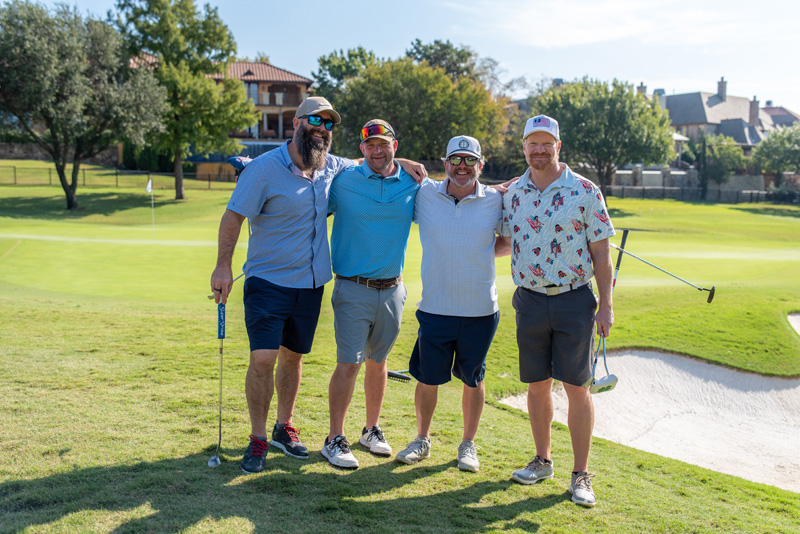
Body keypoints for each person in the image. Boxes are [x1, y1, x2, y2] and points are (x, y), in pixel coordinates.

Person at [210, 98, 424, 475]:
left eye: (328, 124)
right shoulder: (263, 169)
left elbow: (369, 161)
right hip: (267, 281)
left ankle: (283, 427)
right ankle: (258, 438)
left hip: (310, 285)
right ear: (296, 122)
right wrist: (223, 266)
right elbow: (233, 217)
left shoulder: (329, 166)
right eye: (314, 120)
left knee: (293, 358)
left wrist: (401, 161)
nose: (321, 128)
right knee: (263, 359)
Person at [501, 115, 615, 507]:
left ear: (558, 146)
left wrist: (606, 306)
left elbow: (602, 253)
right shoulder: (513, 193)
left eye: (546, 143)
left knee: (577, 388)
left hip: (574, 300)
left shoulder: (585, 190)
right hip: (529, 300)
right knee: (536, 384)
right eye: (532, 143)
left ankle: (580, 474)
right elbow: (504, 241)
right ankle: (542, 460)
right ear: (523, 147)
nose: (539, 150)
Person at [394, 136, 510, 473]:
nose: (462, 166)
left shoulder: (495, 200)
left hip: (480, 310)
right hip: (435, 306)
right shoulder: (425, 193)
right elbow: (384, 163)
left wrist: (477, 253)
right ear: (445, 163)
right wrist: (404, 162)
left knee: (473, 379)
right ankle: (422, 439)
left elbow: (506, 242)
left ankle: (468, 445)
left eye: (470, 160)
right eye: (456, 160)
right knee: (427, 378)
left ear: (480, 165)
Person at [321, 119, 421, 469]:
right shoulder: (344, 180)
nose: (377, 151)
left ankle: (371, 430)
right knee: (349, 362)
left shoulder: (413, 182)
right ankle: (334, 438)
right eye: (371, 145)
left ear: (395, 145)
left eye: (384, 144)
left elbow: (454, 191)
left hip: (393, 289)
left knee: (379, 362)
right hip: (352, 286)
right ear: (362, 149)